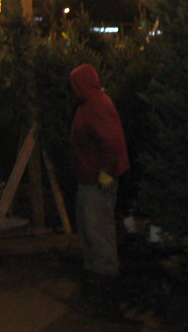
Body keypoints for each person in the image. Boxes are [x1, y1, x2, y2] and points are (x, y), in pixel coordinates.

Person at [69, 63, 129, 282]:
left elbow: (111, 143)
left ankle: (104, 269)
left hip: (96, 178)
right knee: (90, 222)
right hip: (91, 176)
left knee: (96, 223)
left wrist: (106, 173)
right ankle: (96, 265)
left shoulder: (96, 106)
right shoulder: (92, 103)